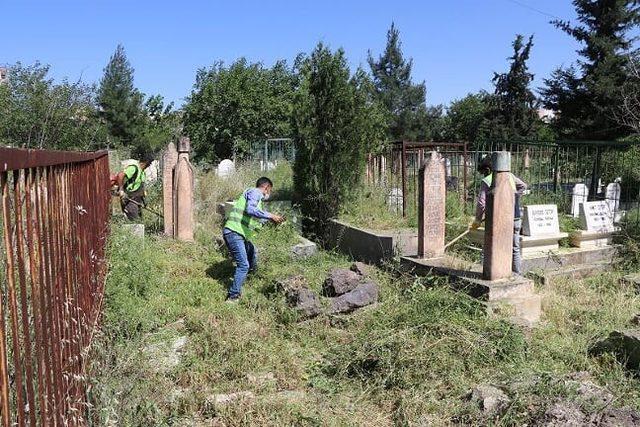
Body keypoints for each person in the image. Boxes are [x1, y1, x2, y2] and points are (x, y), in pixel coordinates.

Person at [223, 177, 285, 302]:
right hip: (234, 233)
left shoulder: (257, 201)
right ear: (266, 187)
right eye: (270, 190)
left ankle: (249, 279)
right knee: (243, 265)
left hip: (239, 234)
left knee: (251, 250)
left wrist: (271, 220)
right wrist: (271, 215)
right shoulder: (255, 192)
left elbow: (258, 217)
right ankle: (233, 296)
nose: (269, 194)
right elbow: (251, 210)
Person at [470, 155, 527, 275]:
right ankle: (517, 274)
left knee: (491, 245)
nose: (483, 174)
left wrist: (478, 219)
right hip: (515, 217)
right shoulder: (509, 176)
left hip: (498, 219)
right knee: (515, 248)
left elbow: (481, 203)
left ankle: (492, 272)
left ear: (488, 169)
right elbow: (523, 186)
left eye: (483, 172)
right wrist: (513, 197)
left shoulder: (487, 180)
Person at [113, 153, 154, 220]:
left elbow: (140, 186)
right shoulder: (134, 168)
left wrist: (144, 200)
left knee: (139, 219)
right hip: (129, 198)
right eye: (150, 163)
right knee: (134, 220)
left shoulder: (143, 172)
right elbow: (120, 175)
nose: (150, 165)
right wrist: (121, 190)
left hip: (137, 199)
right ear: (146, 162)